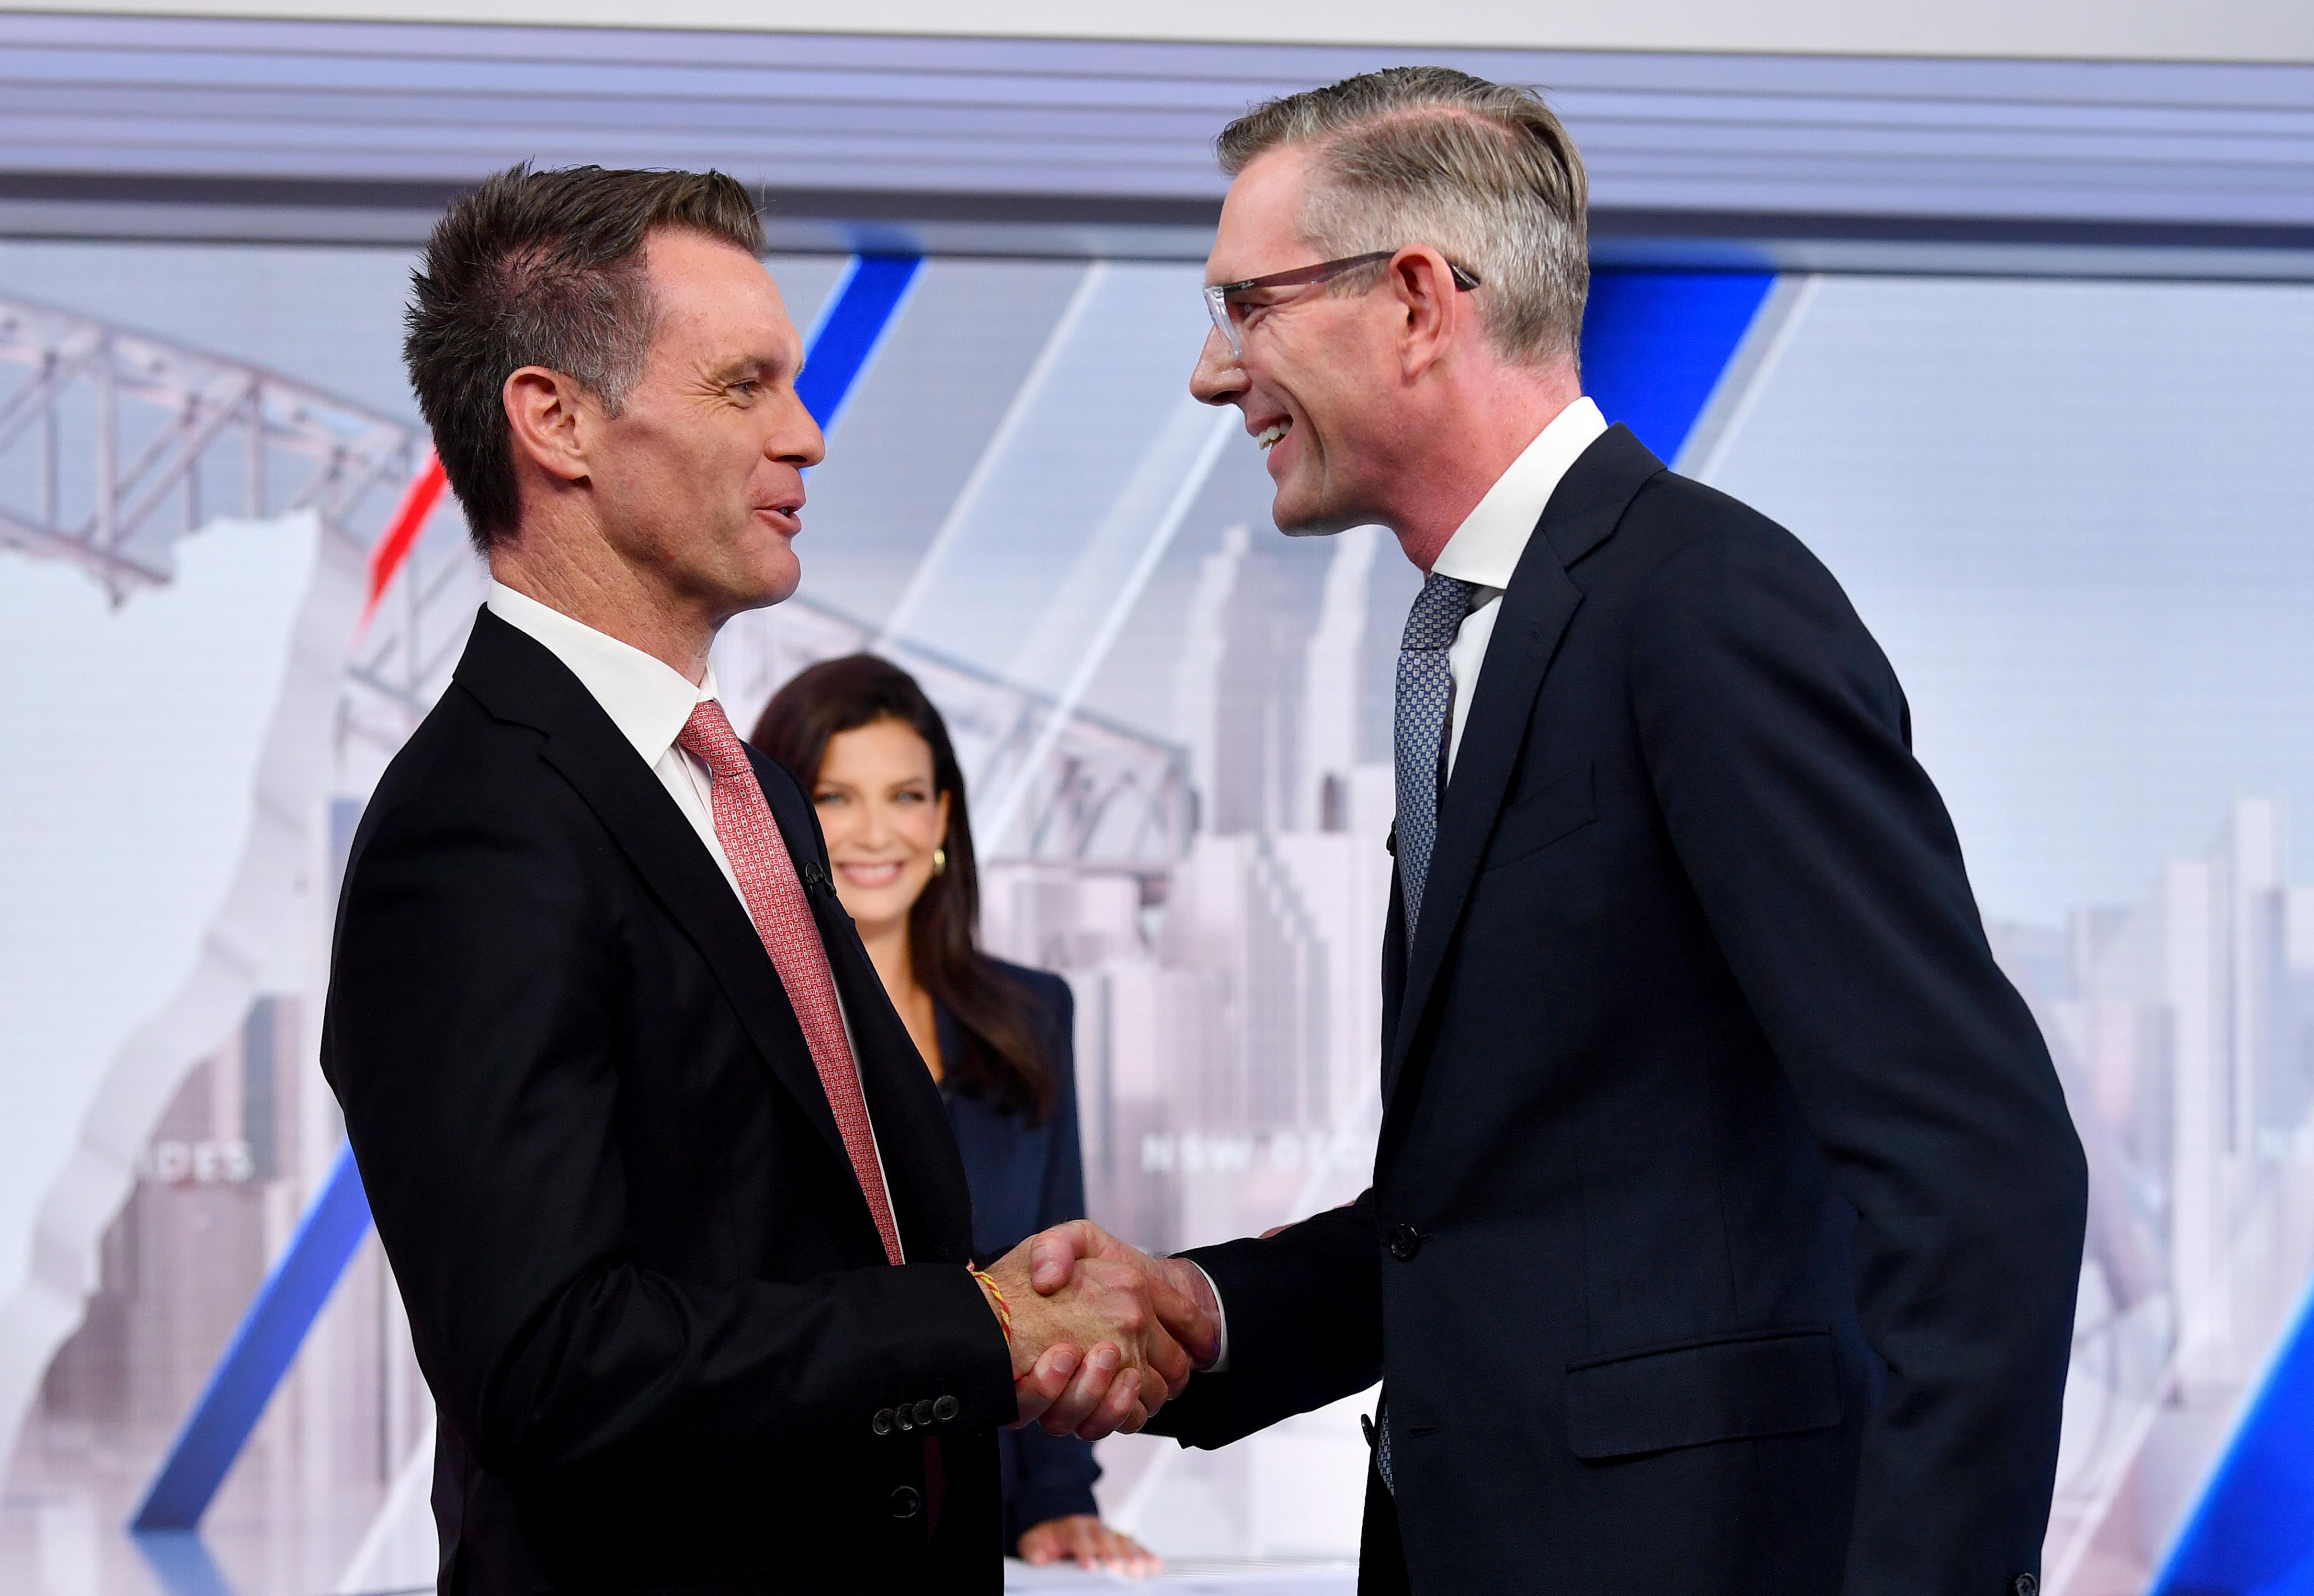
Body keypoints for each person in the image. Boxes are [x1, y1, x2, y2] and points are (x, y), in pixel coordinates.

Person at [1031, 67, 2089, 1596]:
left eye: (1247, 306)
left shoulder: (1702, 608)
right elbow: (1487, 1222)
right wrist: (1210, 1309)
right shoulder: (1476, 639)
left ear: (1415, 303)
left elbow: (1979, 1170)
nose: (1214, 371)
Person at [319, 163, 1205, 1595]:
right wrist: (978, 1334)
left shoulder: (750, 794)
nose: (807, 434)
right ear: (555, 422)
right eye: (745, 386)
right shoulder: (476, 826)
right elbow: (548, 1364)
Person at [750, 654, 1162, 1578]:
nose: (875, 832)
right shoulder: (741, 1030)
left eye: (905, 796)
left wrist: (1060, 1505)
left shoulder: (1031, 1017)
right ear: (779, 821)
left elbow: (1058, 1277)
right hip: (793, 1522)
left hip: (989, 1521)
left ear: (941, 819)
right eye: (834, 797)